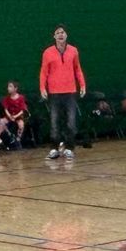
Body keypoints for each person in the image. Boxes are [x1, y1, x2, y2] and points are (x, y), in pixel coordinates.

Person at [38, 26, 87, 161]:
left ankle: (69, 148)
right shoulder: (47, 52)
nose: (60, 35)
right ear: (54, 36)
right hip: (54, 93)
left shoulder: (73, 51)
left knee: (71, 122)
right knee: (54, 122)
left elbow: (77, 69)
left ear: (66, 35)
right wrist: (42, 88)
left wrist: (82, 85)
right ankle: (54, 148)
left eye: (63, 32)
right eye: (58, 33)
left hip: (70, 92)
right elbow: (43, 72)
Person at [0, 81, 29, 148]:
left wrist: (15, 116)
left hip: (18, 117)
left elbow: (22, 110)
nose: (8, 88)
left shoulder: (21, 98)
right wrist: (10, 116)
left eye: (10, 86)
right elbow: (5, 109)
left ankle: (18, 140)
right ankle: (10, 136)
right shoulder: (6, 98)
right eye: (8, 87)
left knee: (21, 125)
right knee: (1, 122)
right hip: (9, 116)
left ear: (15, 88)